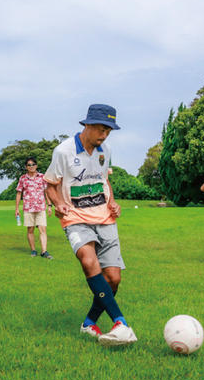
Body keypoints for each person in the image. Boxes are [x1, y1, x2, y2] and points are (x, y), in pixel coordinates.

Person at [44, 104, 137, 346]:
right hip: (75, 218)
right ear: (87, 125)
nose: (104, 135)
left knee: (113, 278)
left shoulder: (105, 151)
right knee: (88, 260)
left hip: (105, 218)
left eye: (109, 130)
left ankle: (89, 323)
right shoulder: (63, 152)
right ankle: (121, 322)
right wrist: (58, 204)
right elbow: (51, 184)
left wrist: (113, 202)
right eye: (101, 129)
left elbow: (104, 180)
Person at [15, 157, 53, 259]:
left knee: (42, 229)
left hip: (41, 207)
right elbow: (19, 193)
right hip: (28, 208)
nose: (31, 167)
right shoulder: (23, 178)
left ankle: (44, 251)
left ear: (36, 165)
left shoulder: (42, 177)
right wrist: (17, 209)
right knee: (30, 230)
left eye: (33, 164)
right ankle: (33, 250)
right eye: (29, 165)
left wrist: (49, 205)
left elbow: (47, 192)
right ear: (26, 167)